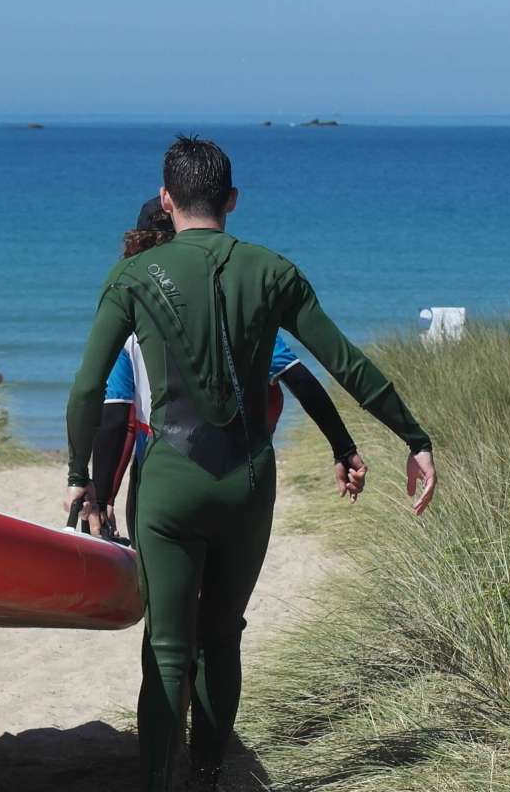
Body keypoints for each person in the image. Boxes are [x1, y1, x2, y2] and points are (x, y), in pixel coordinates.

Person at [64, 137, 436, 790]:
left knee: (167, 651)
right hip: (249, 486)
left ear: (166, 199)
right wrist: (413, 437)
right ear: (232, 201)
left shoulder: (132, 277)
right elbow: (343, 363)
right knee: (222, 638)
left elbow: (87, 390)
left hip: (171, 485)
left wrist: (78, 474)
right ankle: (207, 777)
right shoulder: (272, 270)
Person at [82, 199, 367, 542]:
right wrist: (342, 446)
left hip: (163, 474)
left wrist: (101, 498)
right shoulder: (235, 310)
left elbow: (115, 418)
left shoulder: (131, 314)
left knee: (158, 588)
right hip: (237, 473)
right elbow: (301, 381)